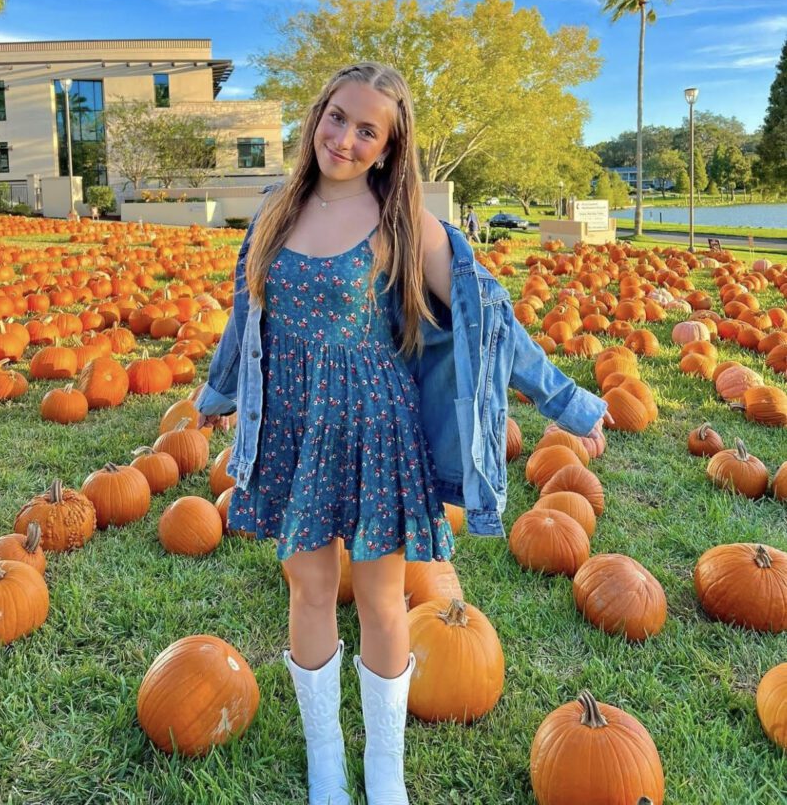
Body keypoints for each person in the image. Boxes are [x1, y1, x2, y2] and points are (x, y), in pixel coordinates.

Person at [196, 62, 608, 805]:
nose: (343, 139)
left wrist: (571, 403)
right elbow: (244, 314)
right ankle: (327, 763)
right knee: (311, 587)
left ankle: (384, 772)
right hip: (293, 427)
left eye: (366, 130)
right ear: (316, 116)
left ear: (388, 148)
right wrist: (220, 389)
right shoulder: (273, 213)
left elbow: (492, 324)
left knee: (384, 600)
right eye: (335, 117)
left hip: (374, 427)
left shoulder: (403, 225)